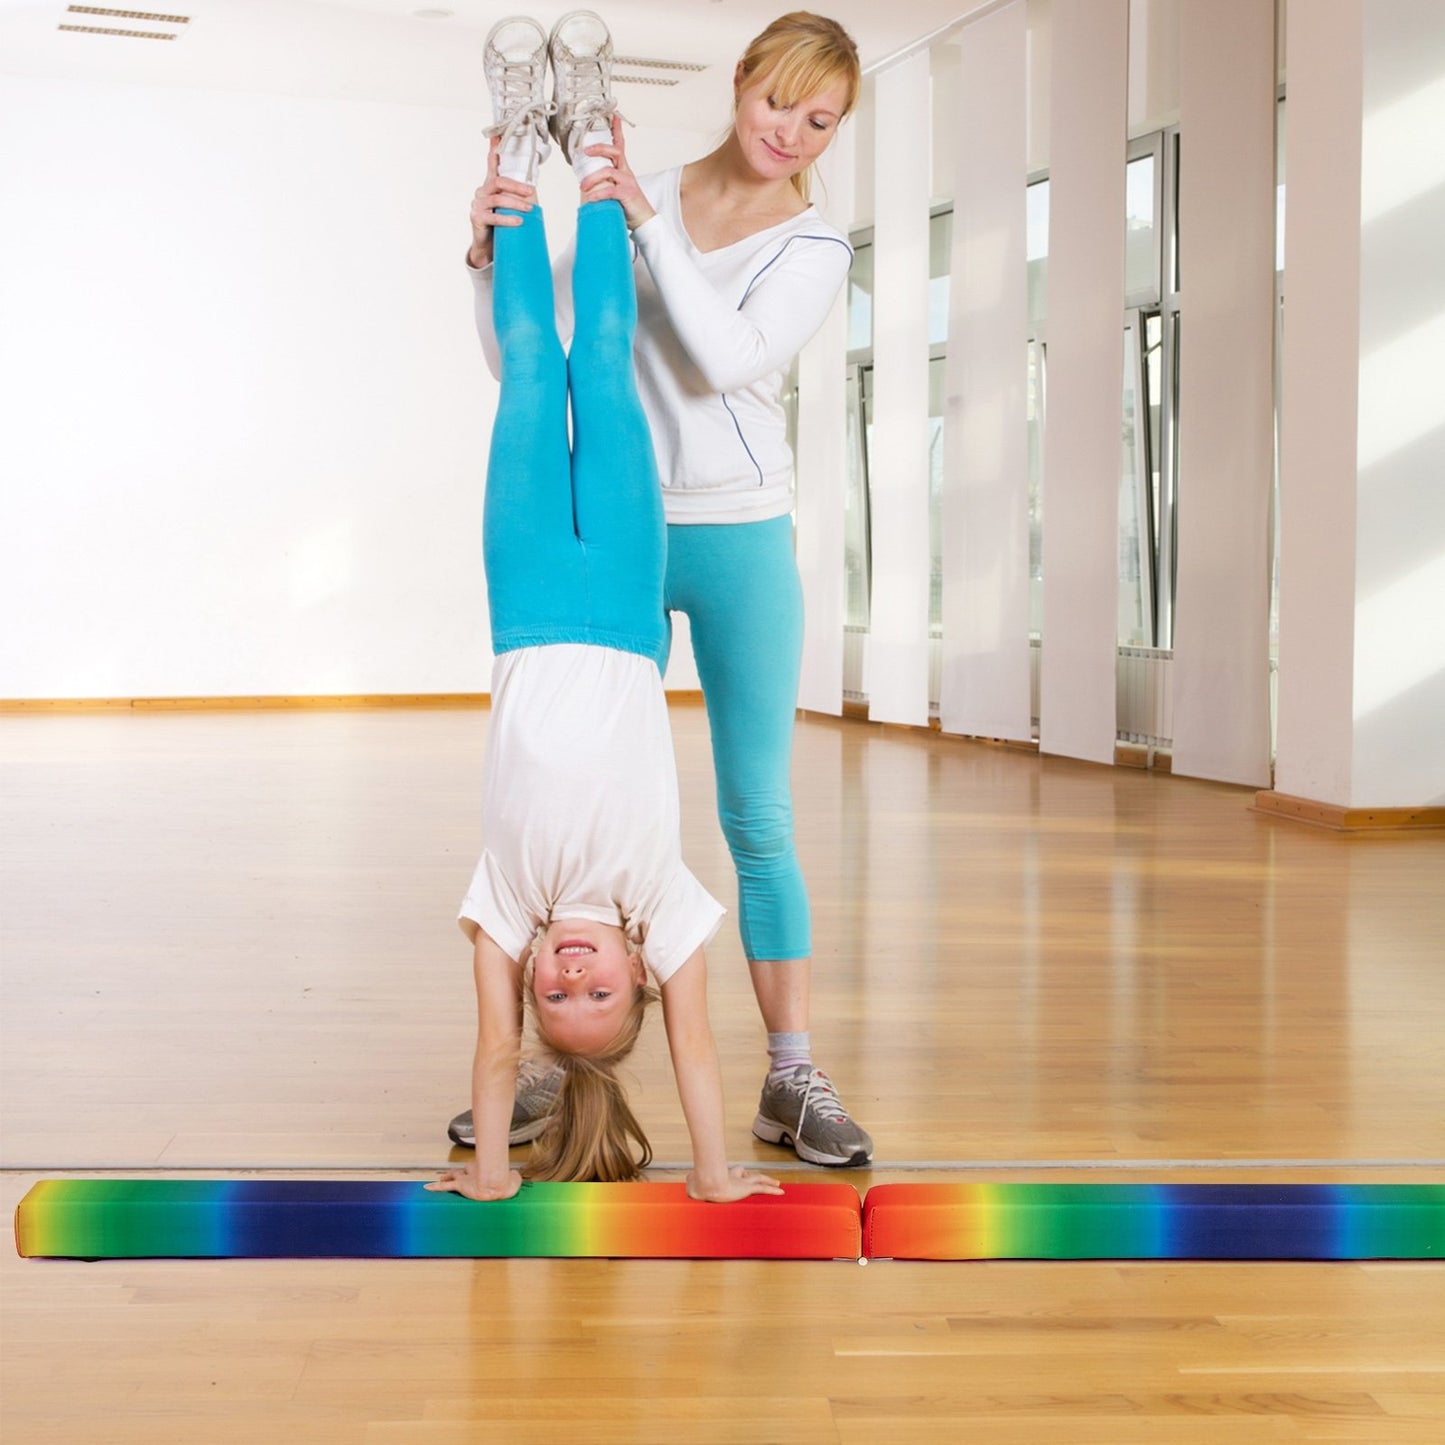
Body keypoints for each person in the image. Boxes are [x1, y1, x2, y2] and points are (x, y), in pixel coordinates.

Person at [448, 10, 873, 1169]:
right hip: (622, 531)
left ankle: (790, 1074)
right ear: (739, 84)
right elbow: (543, 356)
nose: (788, 131)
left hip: (731, 527)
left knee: (755, 815)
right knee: (597, 787)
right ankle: (565, 1042)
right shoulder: (645, 187)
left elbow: (729, 354)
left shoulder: (811, 245)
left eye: (818, 119)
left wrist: (638, 219)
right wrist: (484, 258)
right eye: (775, 101)